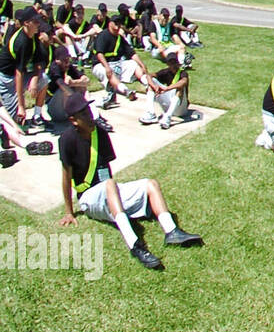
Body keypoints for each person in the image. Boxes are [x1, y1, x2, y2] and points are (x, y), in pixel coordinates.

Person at [56, 91, 202, 271]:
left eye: (89, 111)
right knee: (110, 185)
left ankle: (172, 231)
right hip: (88, 198)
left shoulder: (100, 133)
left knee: (150, 184)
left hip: (108, 192)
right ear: (74, 121)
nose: (90, 117)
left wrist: (116, 196)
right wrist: (69, 211)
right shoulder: (66, 140)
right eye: (84, 114)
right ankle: (135, 245)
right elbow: (66, 177)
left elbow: (106, 170)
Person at [0, 7, 49, 130]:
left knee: (44, 79)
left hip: (20, 74)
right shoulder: (21, 42)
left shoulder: (33, 36)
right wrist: (21, 106)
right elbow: (19, 74)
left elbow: (38, 61)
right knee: (13, 122)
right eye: (36, 21)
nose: (39, 24)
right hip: (6, 78)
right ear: (26, 23)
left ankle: (37, 116)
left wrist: (35, 78)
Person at [91, 15, 150, 108]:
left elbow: (131, 53)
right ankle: (126, 91)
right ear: (110, 24)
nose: (118, 26)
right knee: (109, 73)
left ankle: (147, 84)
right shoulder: (103, 35)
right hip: (100, 65)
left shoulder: (120, 38)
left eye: (119, 24)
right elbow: (99, 54)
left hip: (116, 63)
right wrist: (107, 67)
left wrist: (142, 65)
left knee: (133, 64)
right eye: (116, 24)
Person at [139, 52, 190, 130]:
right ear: (168, 64)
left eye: (174, 62)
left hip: (181, 109)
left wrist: (167, 89)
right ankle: (151, 113)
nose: (173, 65)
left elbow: (183, 82)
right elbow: (149, 76)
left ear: (178, 63)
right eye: (170, 63)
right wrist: (154, 86)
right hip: (168, 105)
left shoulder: (183, 73)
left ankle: (168, 118)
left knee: (180, 88)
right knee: (151, 84)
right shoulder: (166, 72)